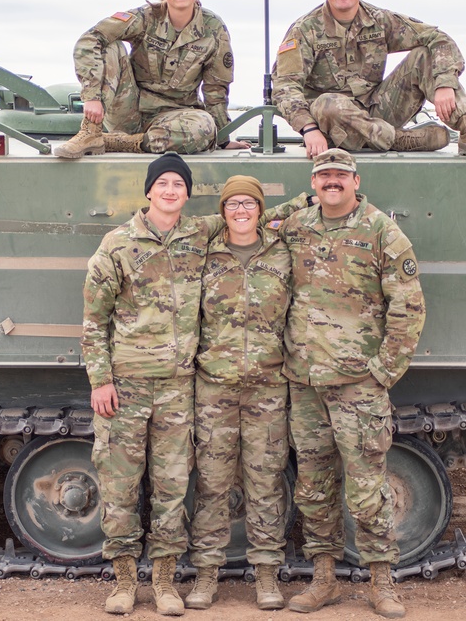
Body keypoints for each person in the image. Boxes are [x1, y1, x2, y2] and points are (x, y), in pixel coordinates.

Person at [81, 153, 312, 616]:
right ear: (149, 191)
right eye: (162, 183)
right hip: (125, 384)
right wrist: (100, 379)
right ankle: (125, 583)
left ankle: (165, 584)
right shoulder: (117, 244)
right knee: (120, 486)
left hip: (178, 387)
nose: (170, 191)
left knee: (170, 488)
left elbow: (250, 212)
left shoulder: (198, 233)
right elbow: (93, 319)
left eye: (178, 184)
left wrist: (311, 196)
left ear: (187, 194)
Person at [278, 148, 426, 619]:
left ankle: (383, 582)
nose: (332, 182)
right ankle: (324, 579)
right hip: (305, 381)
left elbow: (408, 307)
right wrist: (299, 200)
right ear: (314, 183)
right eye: (324, 176)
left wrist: (384, 371)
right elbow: (255, 225)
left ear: (357, 182)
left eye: (341, 175)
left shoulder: (382, 231)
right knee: (314, 486)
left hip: (358, 384)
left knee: (366, 488)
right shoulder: (298, 225)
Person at [272, 0, 466, 157]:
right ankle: (399, 140)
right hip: (332, 126)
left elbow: (437, 38)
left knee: (423, 55)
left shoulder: (379, 21)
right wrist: (309, 129)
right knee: (327, 103)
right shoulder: (305, 30)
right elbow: (285, 86)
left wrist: (444, 82)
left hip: (378, 109)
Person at [185, 176, 291, 612]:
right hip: (215, 385)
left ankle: (266, 576)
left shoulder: (283, 252)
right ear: (222, 210)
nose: (241, 210)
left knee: (265, 483)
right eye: (232, 204)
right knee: (212, 484)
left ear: (261, 208)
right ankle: (206, 575)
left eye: (249, 203)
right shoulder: (205, 252)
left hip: (269, 386)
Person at [56, 0, 249, 159]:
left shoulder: (213, 29)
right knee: (109, 44)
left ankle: (119, 142)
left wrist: (222, 138)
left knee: (205, 128)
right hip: (128, 108)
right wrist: (92, 97)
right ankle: (90, 132)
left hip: (176, 117)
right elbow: (90, 39)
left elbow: (216, 88)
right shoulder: (145, 18)